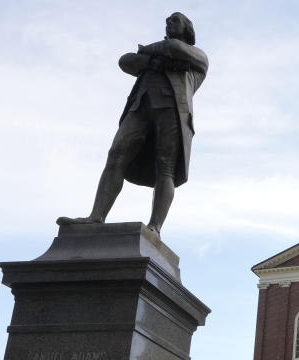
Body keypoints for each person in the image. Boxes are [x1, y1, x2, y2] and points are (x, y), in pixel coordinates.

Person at [57, 12, 209, 234]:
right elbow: (125, 61)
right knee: (116, 155)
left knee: (164, 168)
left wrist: (147, 50)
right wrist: (153, 61)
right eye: (166, 21)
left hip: (173, 111)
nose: (168, 23)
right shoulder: (158, 55)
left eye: (175, 20)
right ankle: (96, 216)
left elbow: (176, 48)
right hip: (140, 107)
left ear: (188, 28)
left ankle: (155, 227)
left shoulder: (198, 57)